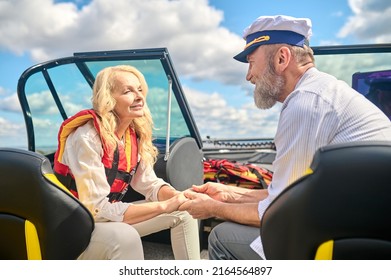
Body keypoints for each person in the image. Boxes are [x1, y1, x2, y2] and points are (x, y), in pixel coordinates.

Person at [179, 15, 391, 260]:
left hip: (343, 240)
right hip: (363, 227)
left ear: (281, 58)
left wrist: (213, 207)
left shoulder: (305, 103)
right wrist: (229, 193)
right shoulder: (324, 91)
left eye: (251, 63)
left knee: (222, 236)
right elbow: (287, 194)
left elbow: (276, 210)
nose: (249, 76)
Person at [54, 65, 200, 260]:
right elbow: (96, 210)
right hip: (74, 228)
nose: (139, 96)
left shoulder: (132, 136)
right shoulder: (87, 137)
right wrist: (165, 206)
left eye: (139, 89)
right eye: (128, 91)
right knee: (126, 236)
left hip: (105, 219)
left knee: (184, 213)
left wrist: (178, 197)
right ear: (108, 98)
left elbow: (149, 184)